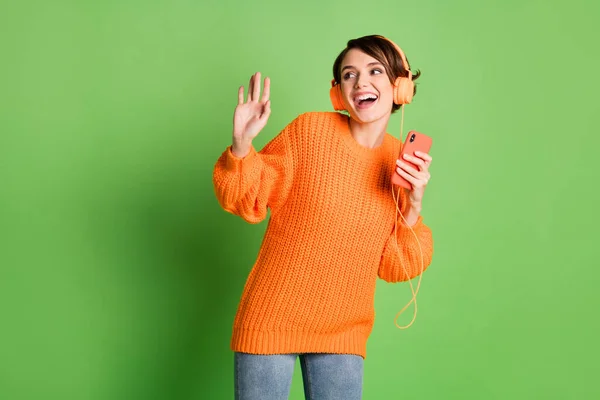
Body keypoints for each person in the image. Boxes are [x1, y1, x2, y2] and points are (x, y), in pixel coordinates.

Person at [212, 34, 434, 400]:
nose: (361, 82)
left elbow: (396, 267)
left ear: (401, 86)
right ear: (338, 92)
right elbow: (244, 197)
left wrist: (413, 207)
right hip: (271, 318)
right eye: (349, 75)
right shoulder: (309, 131)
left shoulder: (400, 161)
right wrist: (241, 146)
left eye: (375, 71)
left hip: (344, 332)